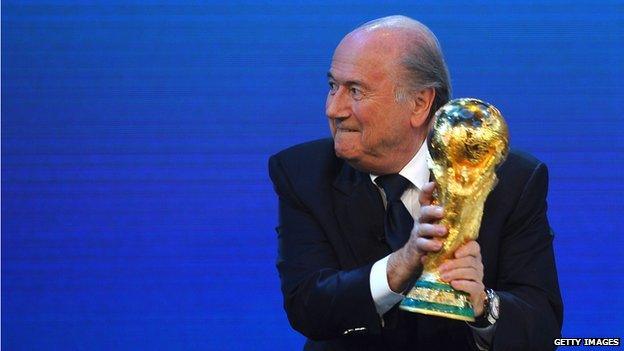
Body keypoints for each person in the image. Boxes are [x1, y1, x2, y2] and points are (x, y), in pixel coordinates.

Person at [268, 15, 562, 351]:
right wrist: (400, 265)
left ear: (420, 103)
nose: (333, 109)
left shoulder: (507, 179)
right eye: (333, 86)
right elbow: (308, 306)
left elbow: (544, 325)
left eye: (355, 90)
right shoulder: (302, 173)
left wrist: (483, 306)